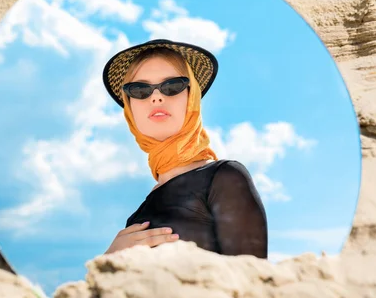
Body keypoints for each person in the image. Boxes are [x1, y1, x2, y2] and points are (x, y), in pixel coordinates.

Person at [101, 39, 268, 258]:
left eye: (172, 86)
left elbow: (254, 282)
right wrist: (109, 259)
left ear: (192, 98)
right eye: (140, 89)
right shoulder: (139, 213)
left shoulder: (225, 177)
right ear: (129, 108)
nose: (157, 96)